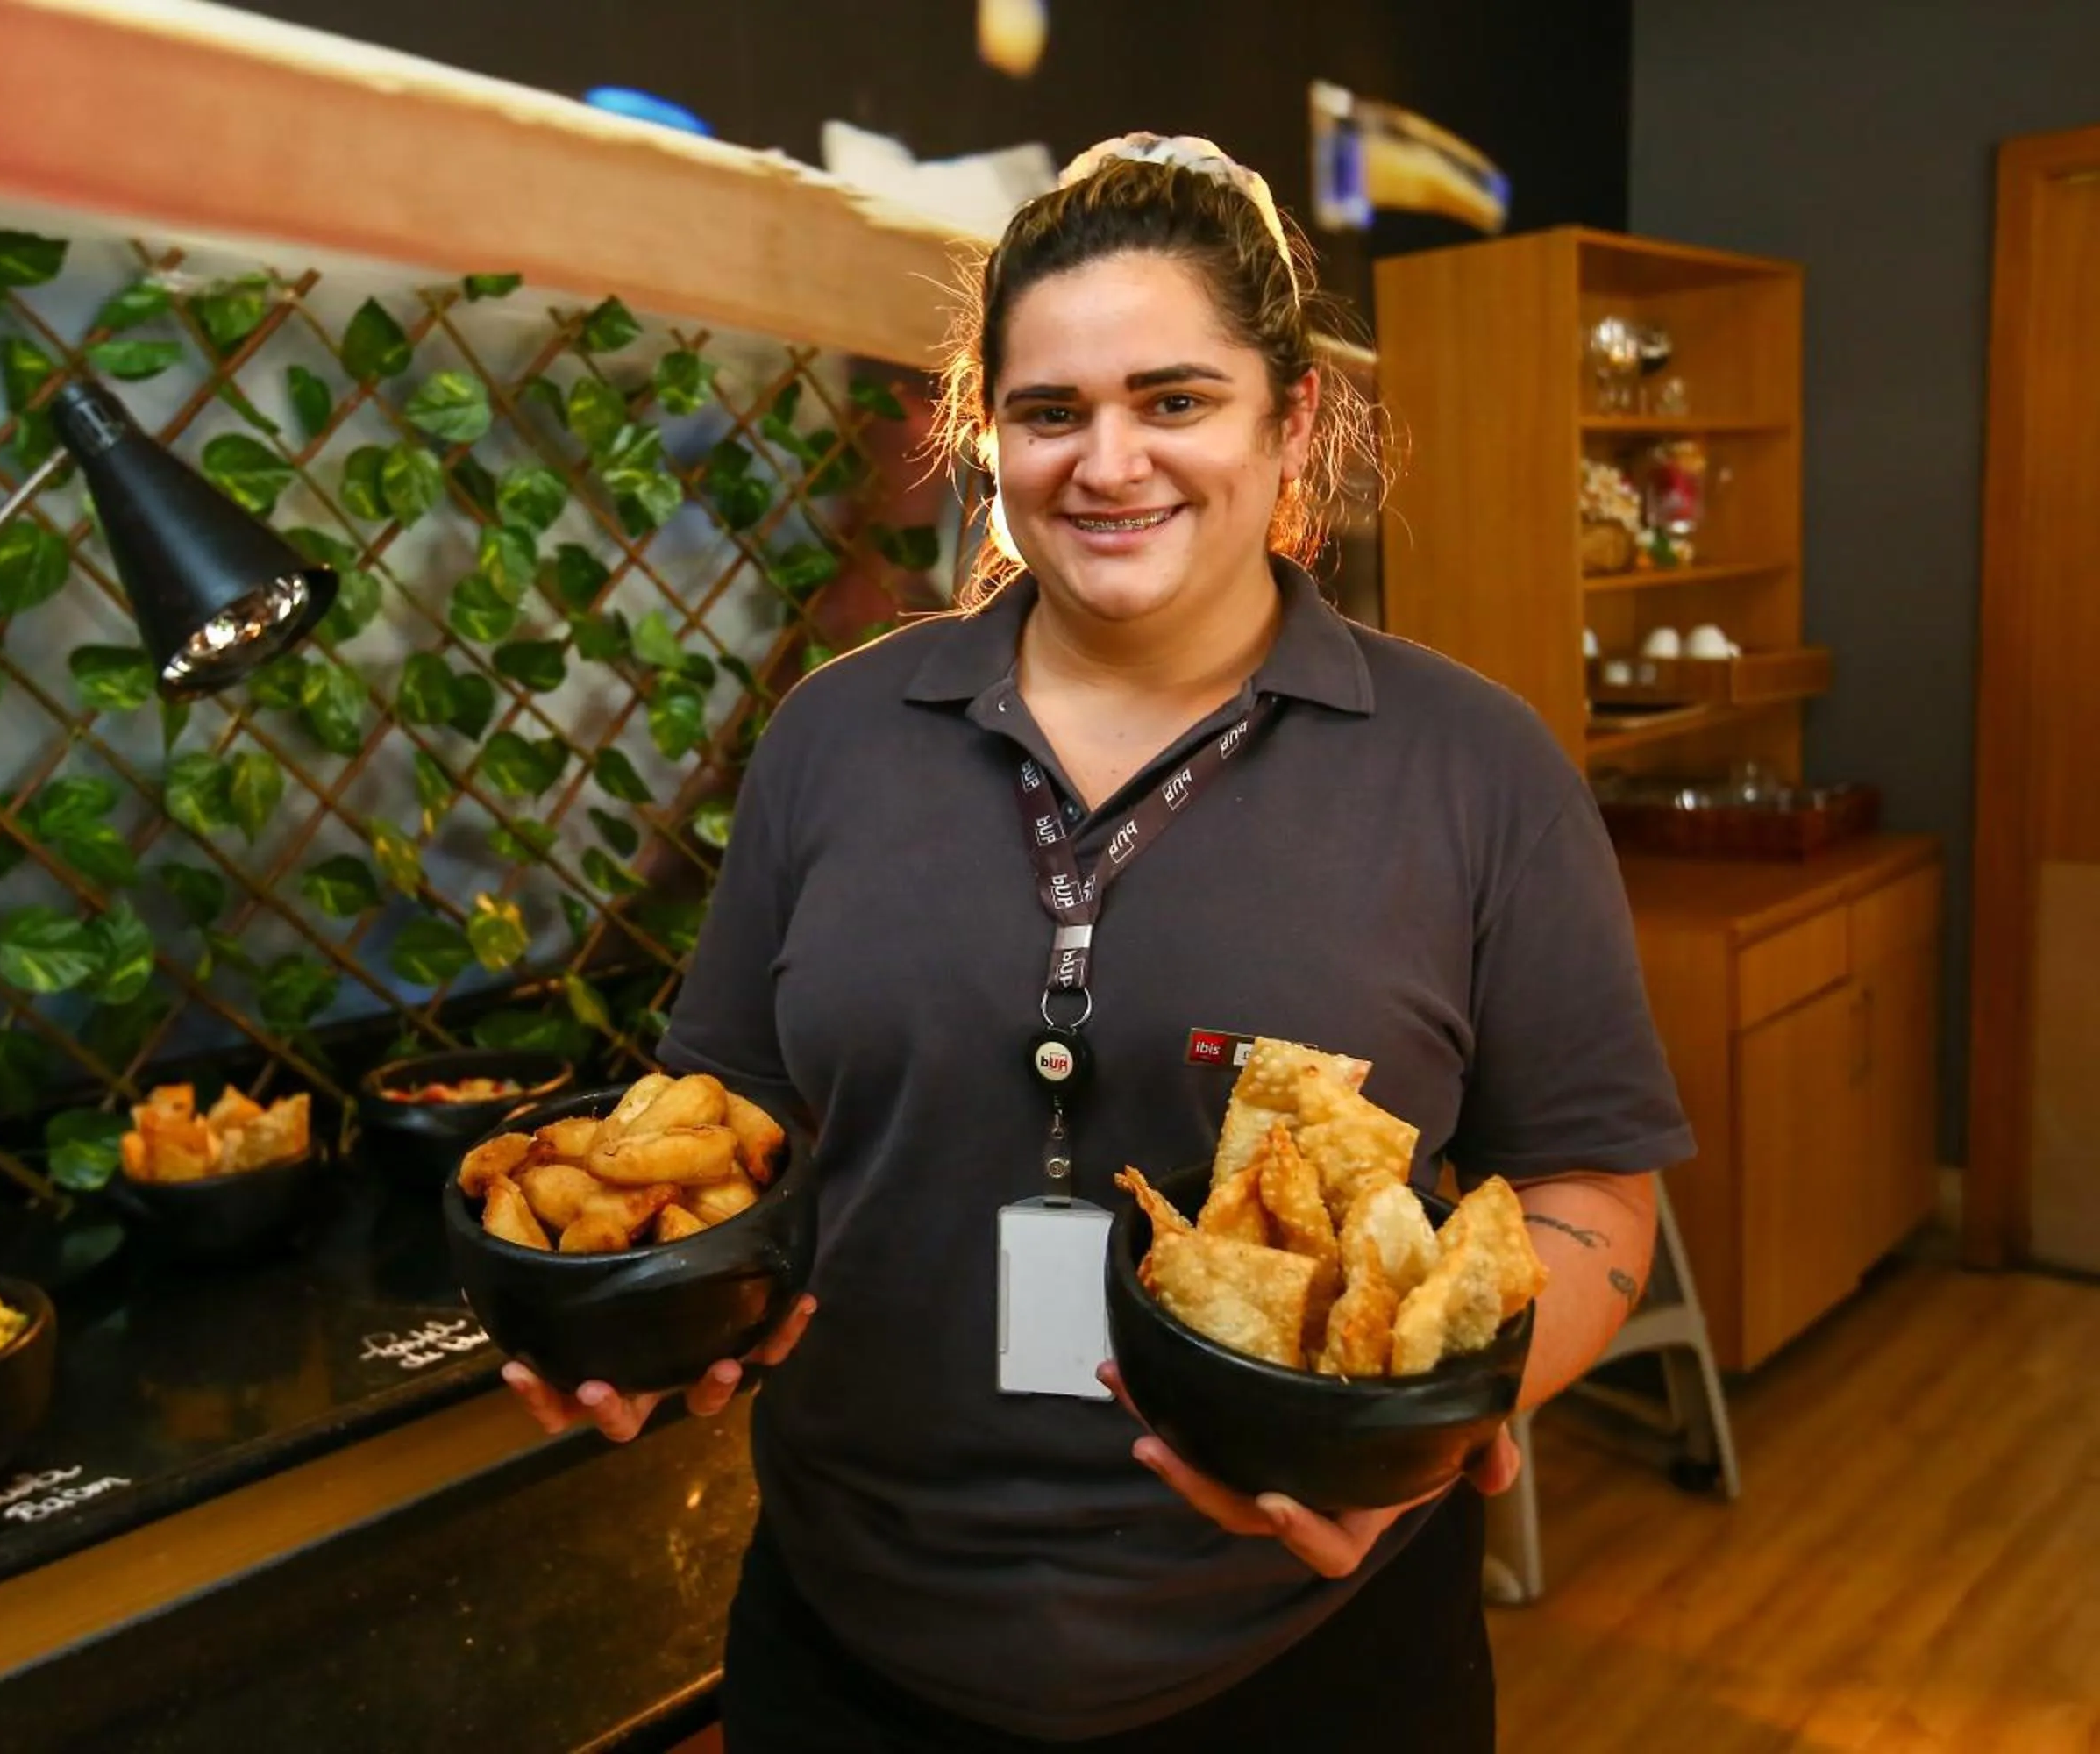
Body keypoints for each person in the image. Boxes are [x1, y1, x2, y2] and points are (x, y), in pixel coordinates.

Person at [502, 131, 1691, 1750]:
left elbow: (1587, 1186)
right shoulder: (837, 738)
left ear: (1296, 421)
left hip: (1310, 1642)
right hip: (851, 1634)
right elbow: (727, 1109)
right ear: (986, 435)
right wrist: (652, 1306)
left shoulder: (1474, 771)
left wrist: (1448, 1407)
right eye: (1051, 412)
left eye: (1175, 399)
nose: (1108, 461)